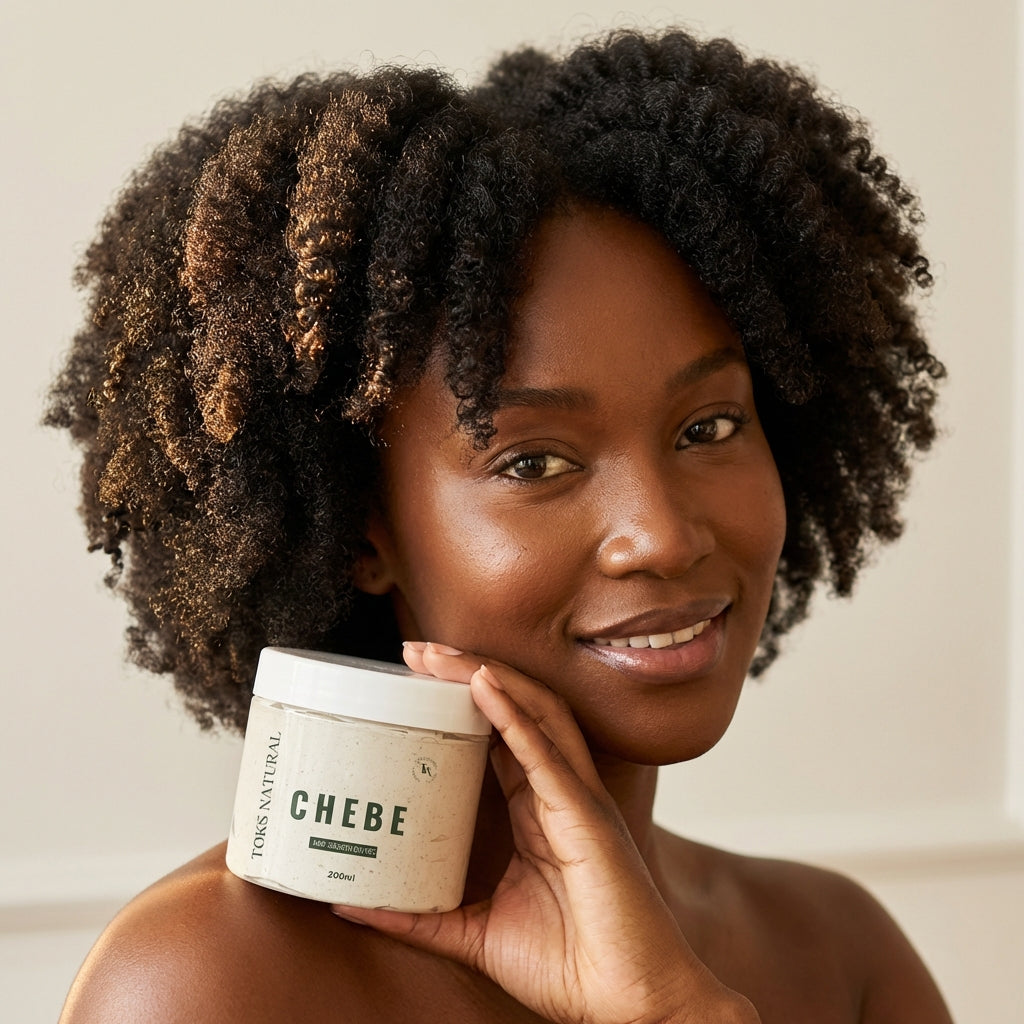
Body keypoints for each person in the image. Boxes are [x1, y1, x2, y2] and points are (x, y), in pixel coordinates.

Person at [48, 27, 953, 1023]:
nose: (659, 533)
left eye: (710, 426)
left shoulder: (837, 952)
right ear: (362, 531)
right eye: (533, 461)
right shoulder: (212, 981)